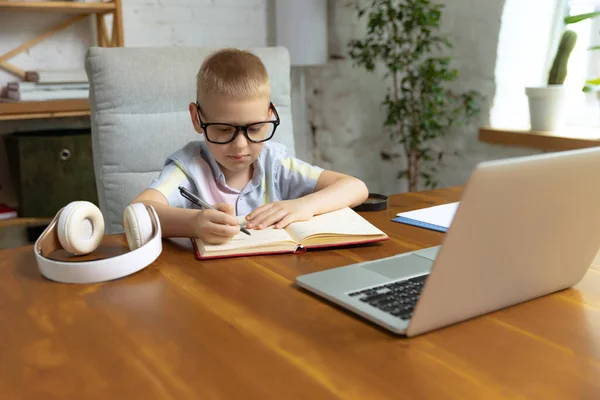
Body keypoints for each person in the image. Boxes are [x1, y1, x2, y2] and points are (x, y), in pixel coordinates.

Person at [130, 48, 368, 244]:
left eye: (254, 129)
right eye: (224, 130)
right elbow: (136, 212)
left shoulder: (275, 163)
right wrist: (193, 223)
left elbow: (355, 187)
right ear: (197, 119)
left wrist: (305, 205)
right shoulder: (189, 168)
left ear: (270, 115)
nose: (240, 145)